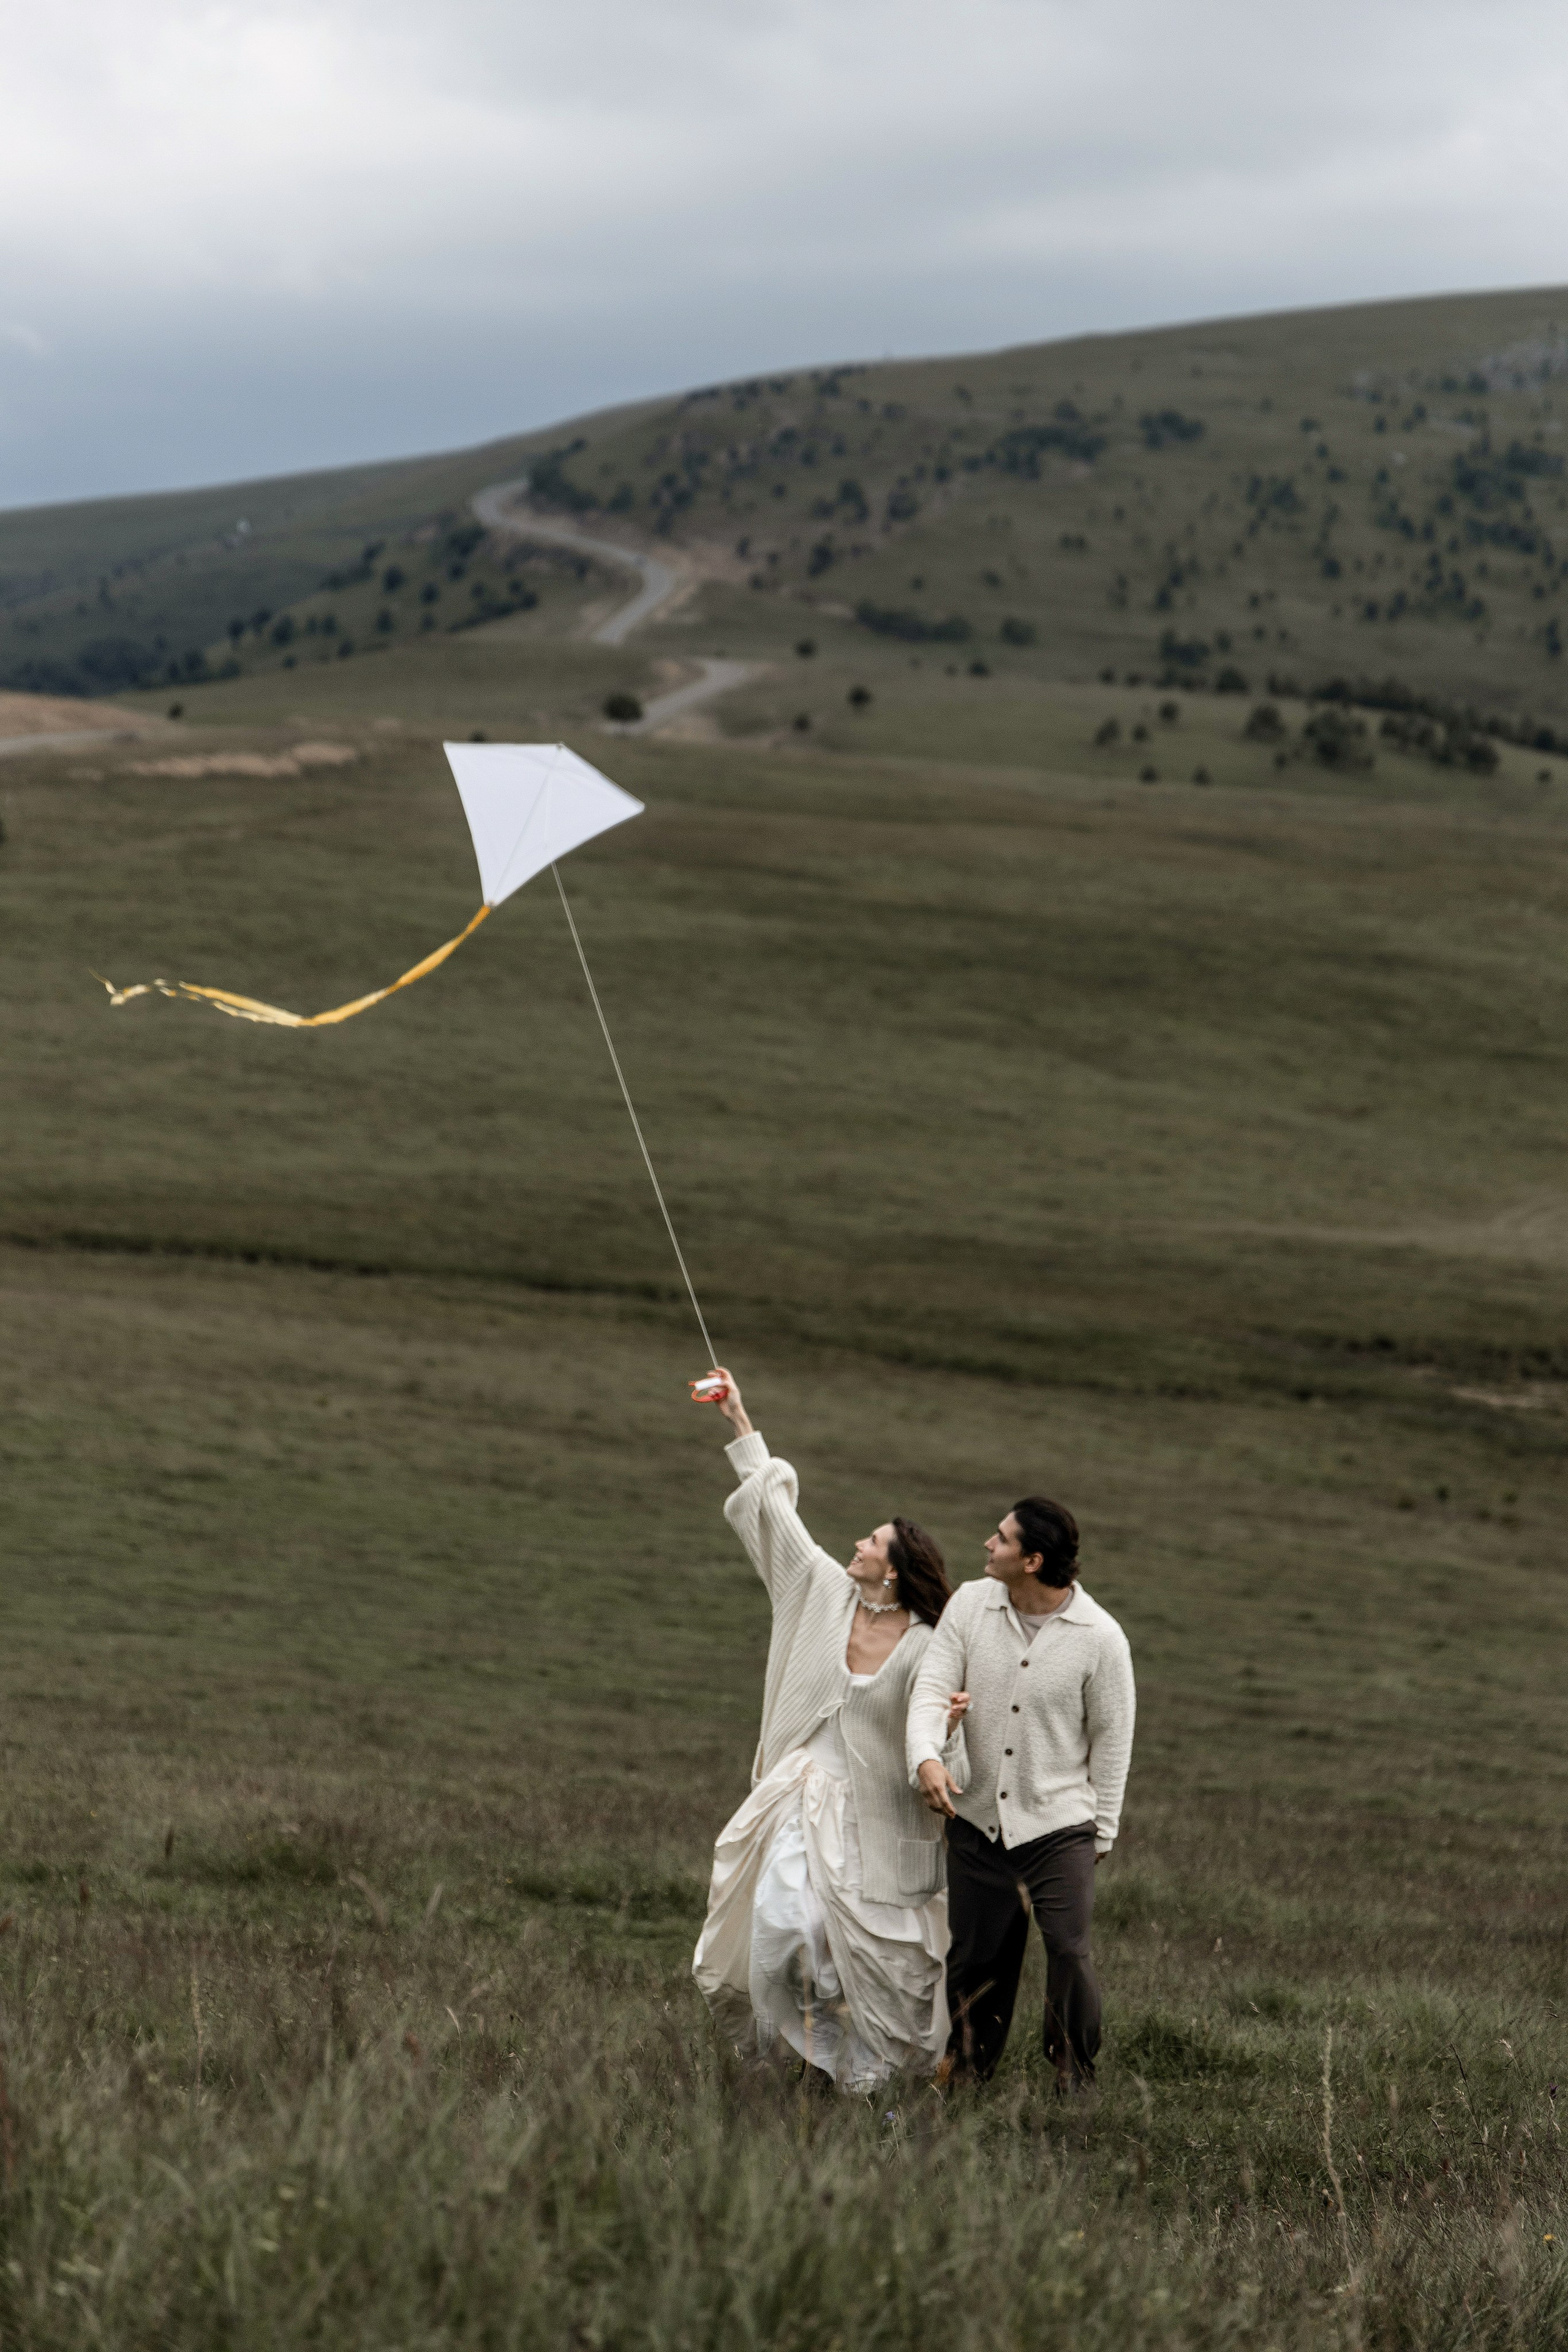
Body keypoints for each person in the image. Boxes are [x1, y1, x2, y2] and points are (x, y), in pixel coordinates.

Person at [691, 1368, 968, 2092]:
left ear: (898, 1568)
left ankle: (865, 2082)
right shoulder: (819, 1588)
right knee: (784, 1937)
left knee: (877, 1960)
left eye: (872, 1541)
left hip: (874, 1821)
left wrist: (952, 1729)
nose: (857, 1543)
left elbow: (940, 1748)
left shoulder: (930, 1643)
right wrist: (740, 1420)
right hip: (797, 1800)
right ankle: (804, 2056)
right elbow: (775, 1519)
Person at [906, 1495, 1134, 2092]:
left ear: (1031, 1560)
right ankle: (966, 2070)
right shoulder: (970, 1605)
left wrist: (1102, 1831)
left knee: (1068, 1947)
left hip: (1060, 1824)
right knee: (977, 1959)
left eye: (1001, 1538)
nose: (988, 1543)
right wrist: (926, 1756)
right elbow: (931, 1687)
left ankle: (1073, 2073)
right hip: (977, 1818)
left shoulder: (1100, 1639)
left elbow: (1112, 1742)